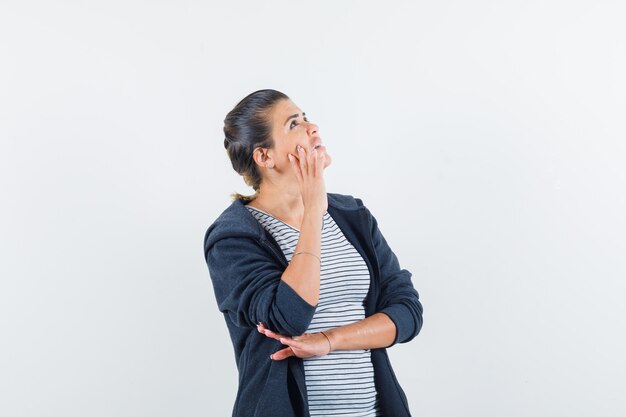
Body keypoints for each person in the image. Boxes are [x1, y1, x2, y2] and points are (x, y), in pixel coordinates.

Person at [203, 89, 423, 417]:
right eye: (294, 124)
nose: (313, 127)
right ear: (264, 157)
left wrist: (330, 339)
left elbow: (407, 312)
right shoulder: (233, 236)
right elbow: (288, 317)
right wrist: (312, 212)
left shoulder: (353, 215)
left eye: (306, 117)